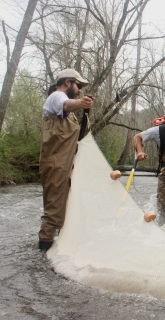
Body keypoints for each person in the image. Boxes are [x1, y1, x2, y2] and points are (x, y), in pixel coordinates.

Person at [39, 69, 94, 250]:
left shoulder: (66, 110)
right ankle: (44, 250)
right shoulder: (57, 96)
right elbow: (67, 104)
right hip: (55, 164)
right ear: (68, 82)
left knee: (66, 209)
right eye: (78, 86)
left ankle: (60, 247)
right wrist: (80, 103)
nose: (80, 90)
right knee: (54, 211)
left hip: (65, 165)